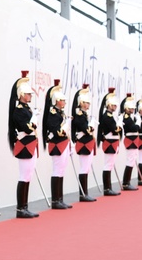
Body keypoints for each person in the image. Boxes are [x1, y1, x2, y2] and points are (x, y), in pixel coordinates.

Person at [8, 71, 40, 218]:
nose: (30, 96)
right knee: (24, 176)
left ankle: (24, 206)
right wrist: (34, 121)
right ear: (21, 95)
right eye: (28, 94)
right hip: (25, 144)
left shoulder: (26, 109)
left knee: (28, 176)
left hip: (30, 144)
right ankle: (21, 208)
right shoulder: (19, 111)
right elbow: (27, 129)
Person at [42, 80, 72, 209]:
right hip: (57, 144)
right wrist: (66, 125)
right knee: (57, 170)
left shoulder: (60, 113)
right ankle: (55, 200)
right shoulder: (53, 113)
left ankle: (60, 198)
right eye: (62, 100)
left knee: (61, 170)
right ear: (57, 101)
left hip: (63, 143)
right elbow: (57, 131)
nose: (64, 102)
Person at [71, 84, 97, 202]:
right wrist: (92, 124)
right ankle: (83, 194)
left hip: (87, 143)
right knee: (84, 168)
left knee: (86, 168)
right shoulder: (79, 116)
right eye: (86, 102)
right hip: (84, 144)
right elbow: (87, 130)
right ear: (81, 103)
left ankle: (85, 193)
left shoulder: (84, 115)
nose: (88, 105)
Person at [96, 87, 121, 196]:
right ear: (109, 105)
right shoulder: (107, 117)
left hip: (112, 142)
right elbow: (115, 130)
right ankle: (107, 188)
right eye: (113, 105)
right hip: (109, 142)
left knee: (109, 165)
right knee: (108, 165)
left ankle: (108, 187)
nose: (115, 107)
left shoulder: (109, 116)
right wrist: (119, 124)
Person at [119, 93, 138, 191]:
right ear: (126, 108)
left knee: (132, 160)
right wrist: (138, 122)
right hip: (130, 140)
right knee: (130, 161)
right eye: (131, 108)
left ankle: (127, 182)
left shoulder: (130, 117)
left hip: (133, 140)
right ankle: (126, 183)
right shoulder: (126, 118)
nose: (132, 110)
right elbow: (134, 128)